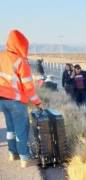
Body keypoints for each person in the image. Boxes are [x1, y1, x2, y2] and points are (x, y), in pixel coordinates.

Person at [0, 30, 42, 168]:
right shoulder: (21, 62)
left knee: (10, 128)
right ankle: (25, 157)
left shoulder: (1, 56)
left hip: (2, 100)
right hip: (16, 101)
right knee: (22, 129)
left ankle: (13, 153)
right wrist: (37, 102)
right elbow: (29, 87)